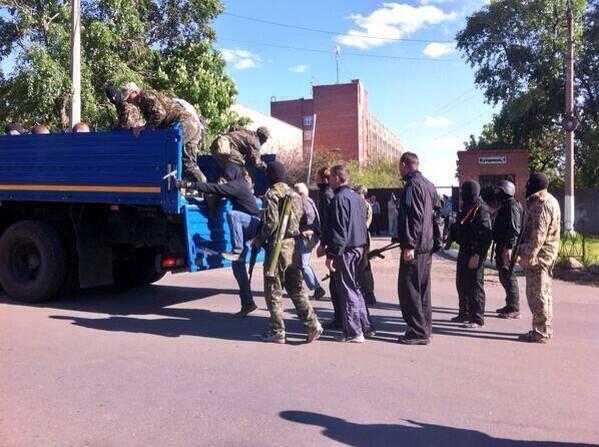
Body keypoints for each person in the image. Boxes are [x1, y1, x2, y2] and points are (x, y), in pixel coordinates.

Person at [175, 162, 261, 317]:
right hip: (247, 227)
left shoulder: (237, 185)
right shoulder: (238, 184)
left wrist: (186, 184)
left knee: (232, 214)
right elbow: (214, 192)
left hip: (252, 223)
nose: (226, 178)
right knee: (238, 267)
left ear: (232, 174)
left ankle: (237, 250)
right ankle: (248, 303)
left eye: (227, 176)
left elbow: (214, 188)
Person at [258, 161, 322, 344]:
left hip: (278, 247)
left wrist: (260, 237)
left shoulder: (272, 194)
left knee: (273, 289)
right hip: (293, 246)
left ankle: (277, 330)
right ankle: (313, 324)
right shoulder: (295, 194)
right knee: (296, 287)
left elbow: (271, 223)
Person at [396, 152, 442, 345]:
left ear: (404, 164)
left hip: (415, 247)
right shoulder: (429, 185)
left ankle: (417, 331)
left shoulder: (412, 186)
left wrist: (408, 245)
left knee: (409, 289)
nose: (399, 169)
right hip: (426, 246)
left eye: (400, 166)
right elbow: (439, 216)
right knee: (422, 289)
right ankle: (424, 328)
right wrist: (436, 242)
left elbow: (412, 218)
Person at [120, 82, 206, 183]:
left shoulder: (146, 96)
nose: (129, 101)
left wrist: (144, 128)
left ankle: (171, 187)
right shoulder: (145, 100)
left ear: (135, 92)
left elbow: (160, 114)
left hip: (184, 124)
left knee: (168, 150)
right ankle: (206, 189)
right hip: (192, 126)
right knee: (188, 164)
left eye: (129, 97)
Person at [323, 165, 371, 343]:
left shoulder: (339, 199)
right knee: (356, 287)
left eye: (330, 178)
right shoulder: (358, 198)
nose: (328, 181)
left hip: (346, 250)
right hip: (359, 247)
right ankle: (365, 325)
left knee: (347, 289)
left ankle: (354, 331)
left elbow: (339, 230)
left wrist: (331, 254)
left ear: (336, 178)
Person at [517, 172, 561, 343]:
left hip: (540, 257)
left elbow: (538, 236)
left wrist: (527, 256)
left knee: (537, 295)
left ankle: (540, 332)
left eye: (528, 184)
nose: (525, 187)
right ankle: (544, 329)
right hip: (546, 255)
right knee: (544, 294)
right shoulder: (550, 200)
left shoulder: (541, 204)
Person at [450, 180, 492, 328]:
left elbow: (485, 235)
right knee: (461, 283)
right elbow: (461, 227)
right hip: (464, 250)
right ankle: (464, 312)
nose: (461, 193)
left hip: (474, 252)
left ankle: (477, 318)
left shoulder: (481, 209)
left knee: (475, 285)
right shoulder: (466, 206)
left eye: (464, 191)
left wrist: (477, 254)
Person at [492, 180, 523, 319]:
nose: (497, 194)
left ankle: (514, 308)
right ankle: (509, 304)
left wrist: (509, 247)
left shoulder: (512, 206)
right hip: (503, 244)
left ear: (507, 191)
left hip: (507, 246)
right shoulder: (506, 205)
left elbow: (514, 229)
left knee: (508, 275)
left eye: (500, 191)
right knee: (504, 275)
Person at [294, 182, 326, 300]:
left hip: (306, 236)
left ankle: (317, 288)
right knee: (298, 263)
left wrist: (298, 226)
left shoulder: (303, 201)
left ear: (300, 192)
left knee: (303, 264)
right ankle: (299, 287)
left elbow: (309, 219)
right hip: (309, 235)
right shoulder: (309, 200)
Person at [354, 185, 377, 305]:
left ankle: (369, 293)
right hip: (360, 237)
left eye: (357, 193)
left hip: (362, 237)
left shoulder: (365, 205)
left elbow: (365, 223)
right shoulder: (359, 204)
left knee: (364, 265)